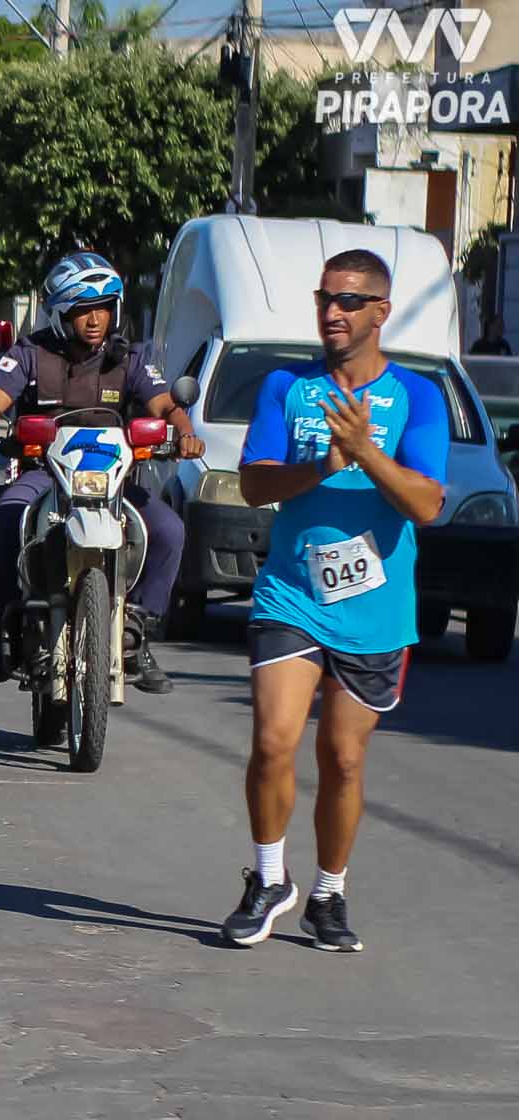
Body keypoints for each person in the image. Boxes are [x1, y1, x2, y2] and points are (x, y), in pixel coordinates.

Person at [222, 250, 447, 953]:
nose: (333, 312)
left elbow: (428, 503)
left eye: (349, 301)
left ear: (382, 310)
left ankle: (328, 893)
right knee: (272, 740)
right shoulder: (286, 386)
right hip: (292, 594)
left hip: (375, 609)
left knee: (343, 759)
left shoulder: (418, 395)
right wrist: (324, 463)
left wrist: (366, 453)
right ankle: (267, 879)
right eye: (325, 298)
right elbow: (255, 485)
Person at [0, 251, 202, 694]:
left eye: (102, 308)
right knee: (3, 520)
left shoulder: (129, 359)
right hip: (45, 474)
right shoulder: (30, 353)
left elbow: (167, 406)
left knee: (169, 530)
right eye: (81, 311)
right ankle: (5, 634)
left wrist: (184, 433)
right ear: (59, 314)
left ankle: (137, 631)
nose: (94, 320)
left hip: (113, 480)